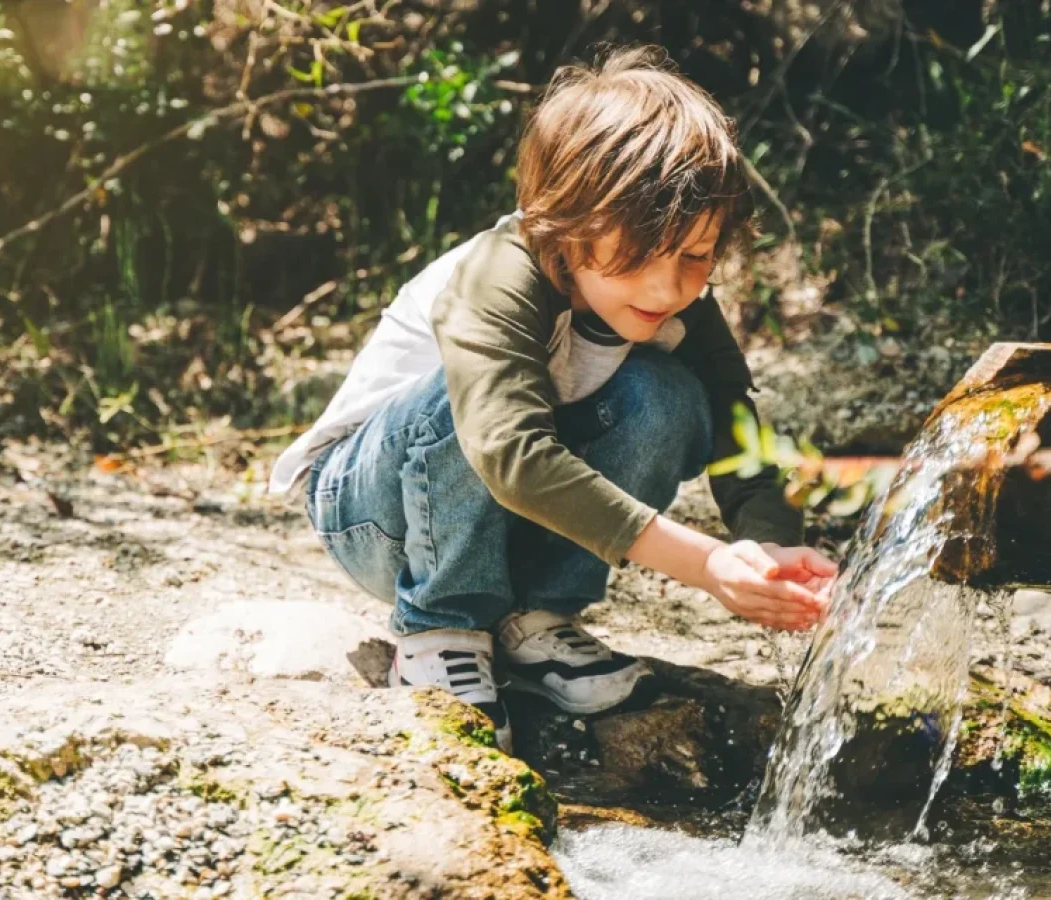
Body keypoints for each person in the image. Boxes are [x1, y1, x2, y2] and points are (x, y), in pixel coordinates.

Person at [269, 46, 837, 752]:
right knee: (469, 405)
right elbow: (509, 455)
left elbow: (736, 432)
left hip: (507, 521)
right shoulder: (498, 276)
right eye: (640, 253)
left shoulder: (683, 308)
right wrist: (706, 566)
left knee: (670, 397)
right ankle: (441, 626)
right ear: (568, 222)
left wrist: (771, 550)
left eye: (696, 255)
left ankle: (536, 620)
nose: (668, 287)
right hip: (373, 515)